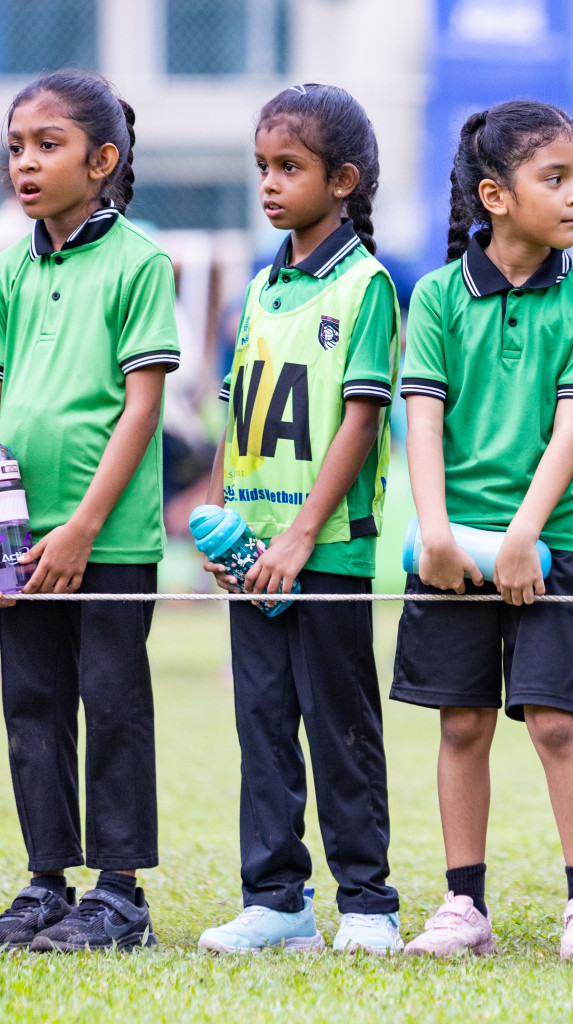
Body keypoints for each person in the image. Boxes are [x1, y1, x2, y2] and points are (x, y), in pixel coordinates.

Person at [389, 101, 573, 962]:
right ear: (495, 195)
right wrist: (438, 532)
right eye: (554, 179)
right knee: (461, 724)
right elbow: (421, 420)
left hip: (547, 546)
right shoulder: (442, 296)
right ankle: (463, 905)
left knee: (557, 721)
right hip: (452, 548)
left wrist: (526, 534)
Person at [194, 84, 402, 955]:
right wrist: (214, 511)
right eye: (262, 168)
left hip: (323, 551)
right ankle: (277, 900)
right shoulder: (260, 287)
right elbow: (236, 409)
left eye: (290, 168)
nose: (270, 184)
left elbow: (360, 419)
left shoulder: (367, 285)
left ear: (343, 179)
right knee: (262, 721)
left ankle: (367, 904)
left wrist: (303, 534)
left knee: (339, 726)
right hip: (251, 551)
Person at [0, 71, 178, 952]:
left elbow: (140, 411)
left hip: (106, 539)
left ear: (102, 161)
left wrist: (81, 529)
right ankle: (44, 882)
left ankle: (119, 893)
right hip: (18, 541)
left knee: (112, 705)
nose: (25, 164)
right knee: (30, 704)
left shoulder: (140, 263)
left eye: (47, 146)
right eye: (16, 148)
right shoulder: (12, 268)